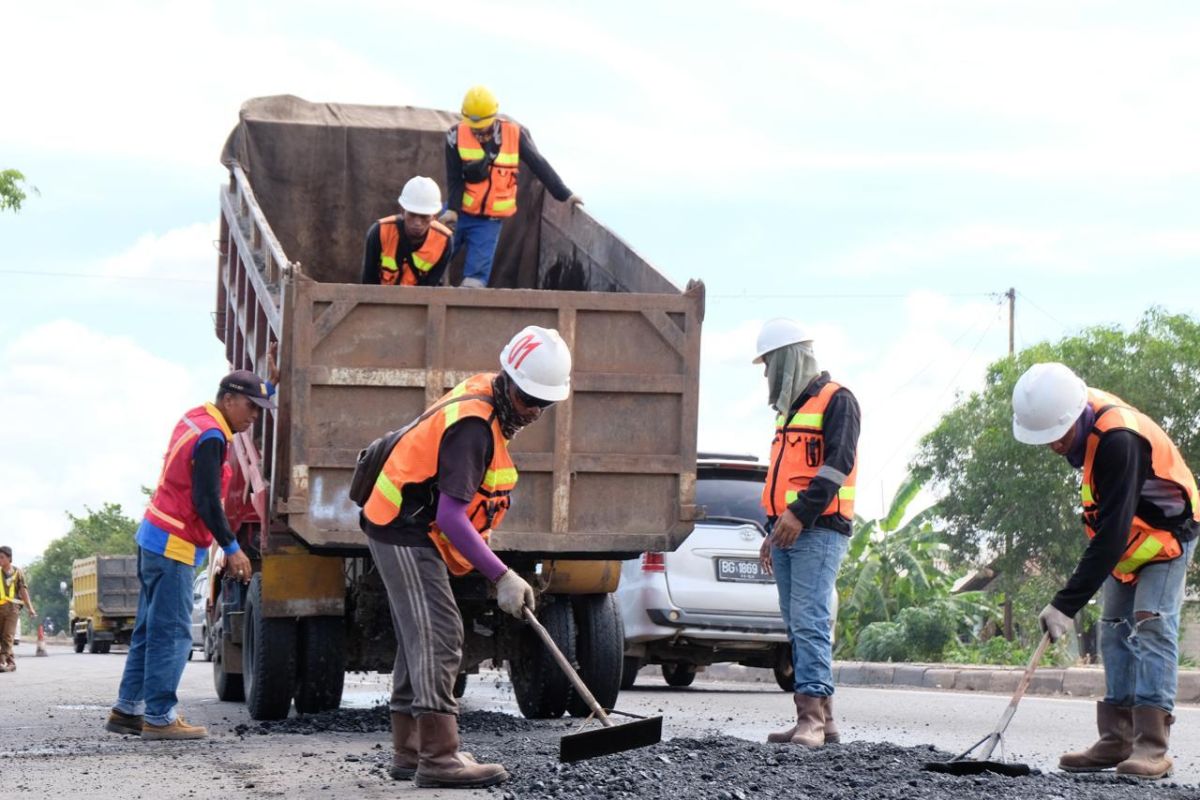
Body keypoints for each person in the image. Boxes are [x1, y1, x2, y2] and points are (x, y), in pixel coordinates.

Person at [360, 325, 571, 788]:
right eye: (528, 399)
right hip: (402, 528)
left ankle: (409, 753)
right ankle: (438, 758)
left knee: (422, 634)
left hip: (416, 527)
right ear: (508, 380)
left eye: (545, 403)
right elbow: (452, 517)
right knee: (440, 632)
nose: (534, 411)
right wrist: (501, 576)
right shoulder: (474, 427)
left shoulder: (490, 401)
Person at [1012, 362, 1198, 780]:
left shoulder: (1119, 439)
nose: (1055, 446)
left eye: (1058, 437)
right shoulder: (1075, 412)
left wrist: (1065, 603)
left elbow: (1110, 534)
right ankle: (1116, 739)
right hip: (1131, 540)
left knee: (1151, 624)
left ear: (1074, 416)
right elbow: (1114, 529)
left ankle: (1151, 746)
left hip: (1168, 533)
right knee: (1113, 627)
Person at [105, 367, 276, 740]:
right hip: (173, 544)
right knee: (172, 634)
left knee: (149, 631)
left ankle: (127, 710)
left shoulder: (198, 418)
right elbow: (205, 500)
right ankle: (160, 719)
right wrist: (232, 548)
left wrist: (270, 382)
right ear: (228, 400)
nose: (255, 415)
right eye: (251, 406)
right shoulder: (213, 437)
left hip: (155, 535)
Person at [754, 319, 860, 748]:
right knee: (798, 625)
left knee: (811, 621)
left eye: (769, 365)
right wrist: (774, 527)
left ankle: (811, 721)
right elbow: (784, 477)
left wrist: (798, 515)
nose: (766, 375)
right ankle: (824, 721)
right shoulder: (790, 411)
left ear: (789, 360)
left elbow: (837, 467)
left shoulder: (839, 401)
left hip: (818, 529)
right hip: (787, 531)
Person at [442, 85, 582, 288]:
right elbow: (454, 177)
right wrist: (453, 211)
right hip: (459, 213)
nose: (478, 132)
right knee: (432, 255)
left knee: (474, 281)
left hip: (488, 222)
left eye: (482, 127)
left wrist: (565, 194)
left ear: (493, 116)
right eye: (474, 128)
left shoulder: (514, 134)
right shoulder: (455, 136)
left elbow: (539, 165)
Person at [362, 176, 453, 287]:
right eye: (412, 214)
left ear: (434, 216)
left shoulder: (443, 241)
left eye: (424, 216)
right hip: (381, 300)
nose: (417, 223)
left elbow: (432, 289)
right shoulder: (379, 232)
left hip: (420, 302)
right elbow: (368, 282)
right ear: (402, 211)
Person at [0, 546, 37, 672]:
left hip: (12, 608)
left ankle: (3, 661)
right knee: (2, 636)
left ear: (9, 558)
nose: (0, 560)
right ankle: (10, 662)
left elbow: (23, 591)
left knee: (8, 635)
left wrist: (30, 608)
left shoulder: (18, 572)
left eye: (2, 557)